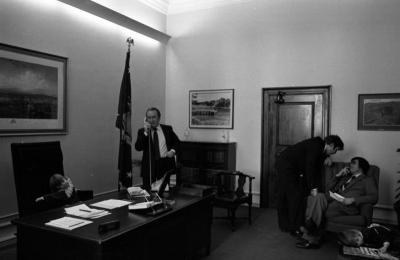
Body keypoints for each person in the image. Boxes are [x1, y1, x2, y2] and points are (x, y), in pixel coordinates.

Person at [296, 157, 378, 249]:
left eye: (353, 163)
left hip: (346, 205)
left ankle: (310, 235)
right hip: (332, 198)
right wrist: (338, 175)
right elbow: (328, 189)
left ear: (361, 167)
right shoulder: (346, 177)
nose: (350, 164)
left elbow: (374, 197)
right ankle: (311, 231)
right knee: (316, 196)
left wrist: (353, 199)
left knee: (320, 208)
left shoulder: (367, 180)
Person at [276, 135, 344, 235]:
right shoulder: (316, 146)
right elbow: (310, 168)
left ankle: (294, 226)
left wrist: (327, 156)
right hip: (286, 166)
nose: (335, 153)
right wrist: (313, 188)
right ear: (331, 145)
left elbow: (316, 157)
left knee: (297, 195)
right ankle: (293, 227)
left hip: (292, 167)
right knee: (293, 196)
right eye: (336, 150)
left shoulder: (319, 145)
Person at [135, 107, 180, 191]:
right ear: (146, 119)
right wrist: (146, 132)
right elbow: (138, 147)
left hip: (165, 165)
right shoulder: (142, 131)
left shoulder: (167, 129)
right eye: (149, 118)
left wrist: (173, 151)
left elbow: (177, 142)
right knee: (148, 192)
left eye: (154, 117)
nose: (151, 120)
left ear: (159, 117)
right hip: (149, 167)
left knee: (165, 191)